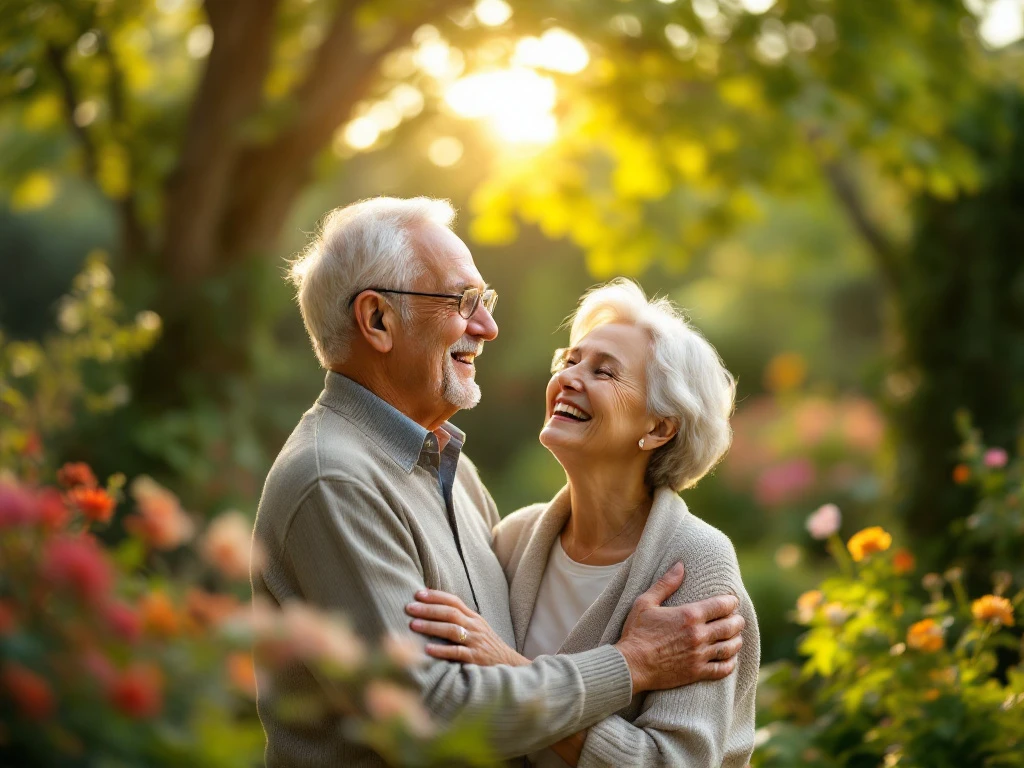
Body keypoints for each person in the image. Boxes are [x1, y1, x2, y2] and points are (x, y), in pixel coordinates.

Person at [250, 197, 746, 767]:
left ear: (660, 427)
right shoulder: (334, 481)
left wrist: (514, 666)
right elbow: (428, 716)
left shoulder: (456, 474)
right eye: (464, 302)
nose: (487, 327)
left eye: (484, 302)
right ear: (379, 320)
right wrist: (629, 664)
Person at [405, 278, 759, 767]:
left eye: (605, 372)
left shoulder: (696, 563)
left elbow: (673, 762)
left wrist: (511, 670)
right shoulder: (514, 540)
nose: (570, 378)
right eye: (569, 361)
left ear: (657, 427)